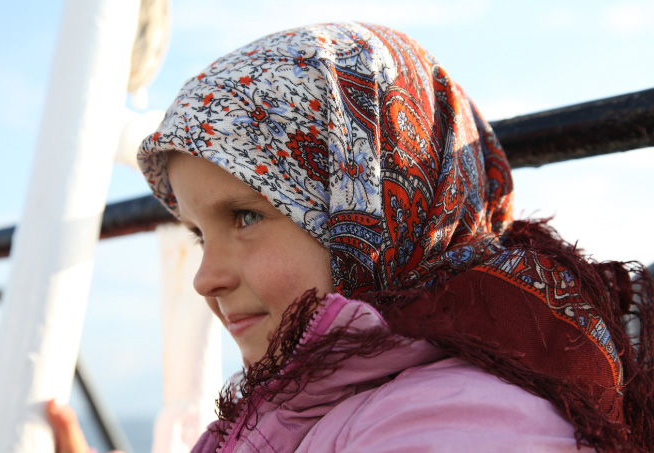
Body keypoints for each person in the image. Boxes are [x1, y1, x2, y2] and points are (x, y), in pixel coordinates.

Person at [52, 22, 653, 451]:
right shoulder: (323, 393)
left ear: (377, 207)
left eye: (245, 217)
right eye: (199, 234)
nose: (205, 277)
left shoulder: (459, 423)